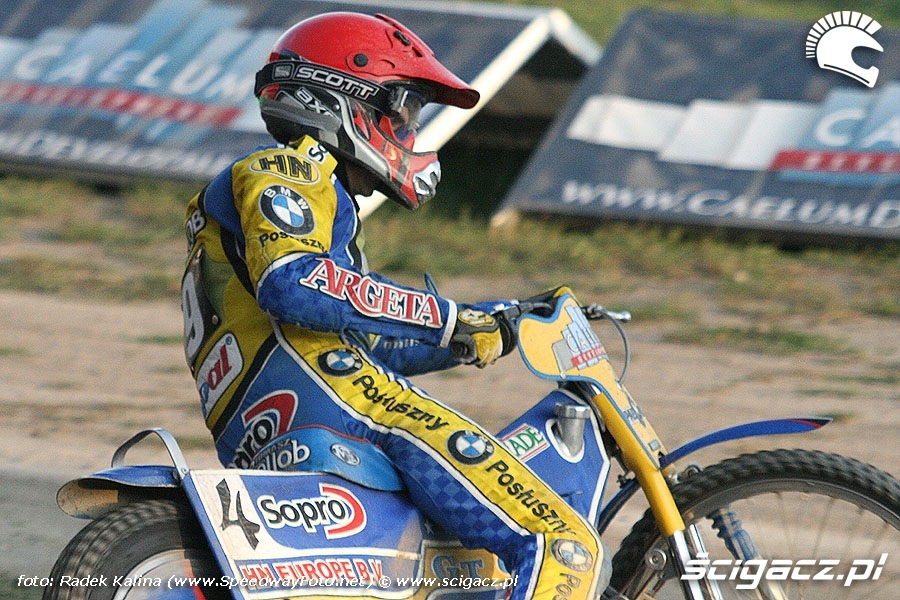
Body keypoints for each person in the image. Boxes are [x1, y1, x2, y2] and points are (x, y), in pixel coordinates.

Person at [181, 11, 609, 599]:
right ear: (346, 97)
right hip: (345, 401)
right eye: (403, 113)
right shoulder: (287, 169)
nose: (408, 133)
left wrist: (489, 325)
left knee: (449, 565)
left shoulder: (318, 201)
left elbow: (364, 334)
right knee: (565, 543)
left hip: (278, 415)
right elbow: (294, 283)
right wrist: (448, 318)